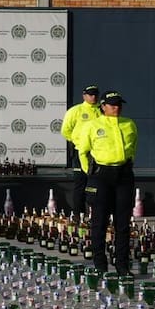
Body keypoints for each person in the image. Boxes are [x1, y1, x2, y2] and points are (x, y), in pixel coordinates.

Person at [76, 91, 138, 278]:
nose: (116, 108)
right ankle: (100, 265)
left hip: (123, 175)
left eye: (119, 104)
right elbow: (82, 151)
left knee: (123, 224)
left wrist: (127, 163)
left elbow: (133, 147)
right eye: (112, 104)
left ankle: (122, 266)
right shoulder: (93, 126)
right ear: (103, 106)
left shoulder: (129, 124)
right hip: (101, 175)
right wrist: (90, 172)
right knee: (99, 222)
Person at [61, 85, 101, 215]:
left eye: (95, 94)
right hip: (81, 152)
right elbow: (65, 130)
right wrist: (78, 142)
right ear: (84, 96)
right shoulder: (76, 111)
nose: (93, 97)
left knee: (97, 185)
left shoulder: (102, 110)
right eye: (90, 94)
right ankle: (78, 215)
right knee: (80, 184)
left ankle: (97, 214)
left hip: (99, 153)